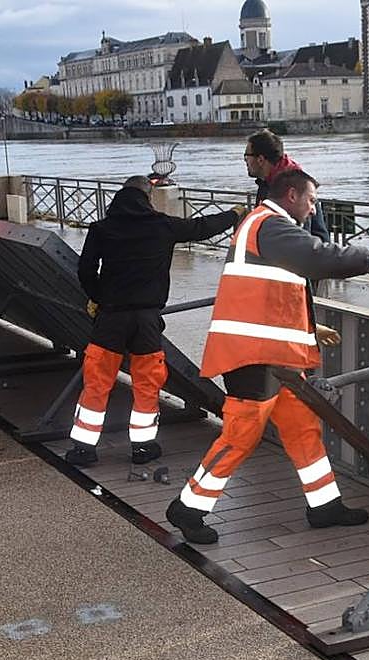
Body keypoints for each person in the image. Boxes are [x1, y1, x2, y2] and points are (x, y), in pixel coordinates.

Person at [165, 169, 369, 544]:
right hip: (256, 358)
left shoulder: (262, 226)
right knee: (240, 436)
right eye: (311, 200)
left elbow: (274, 294)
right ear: (291, 195)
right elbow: (318, 256)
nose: (313, 209)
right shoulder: (272, 225)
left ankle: (324, 505)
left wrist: (310, 330)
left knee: (303, 429)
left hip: (273, 356)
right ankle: (189, 506)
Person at [65, 175, 243, 466]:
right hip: (147, 319)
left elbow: (85, 269)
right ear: (148, 198)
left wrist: (97, 297)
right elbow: (201, 228)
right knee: (147, 384)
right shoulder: (162, 225)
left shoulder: (102, 228)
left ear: (120, 196)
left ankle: (84, 450)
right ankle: (143, 448)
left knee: (97, 383)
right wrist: (233, 214)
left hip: (110, 317)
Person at [243, 130, 330, 243]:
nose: (245, 161)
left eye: (246, 156)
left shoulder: (294, 189)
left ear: (260, 159)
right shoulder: (268, 182)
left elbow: (301, 240)